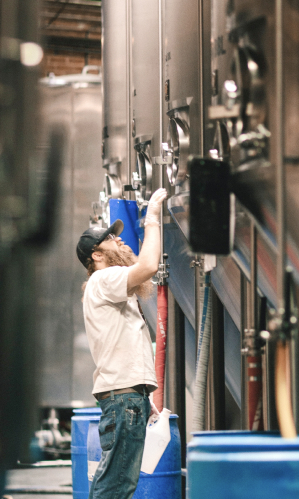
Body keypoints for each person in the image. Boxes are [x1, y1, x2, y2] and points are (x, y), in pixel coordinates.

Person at [76, 188, 167, 499]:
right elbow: (148, 267)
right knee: (115, 486)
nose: (120, 240)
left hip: (128, 396)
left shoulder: (109, 288)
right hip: (123, 400)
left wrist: (142, 391)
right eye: (111, 240)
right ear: (97, 255)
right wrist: (152, 220)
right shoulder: (104, 279)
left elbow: (125, 342)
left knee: (119, 484)